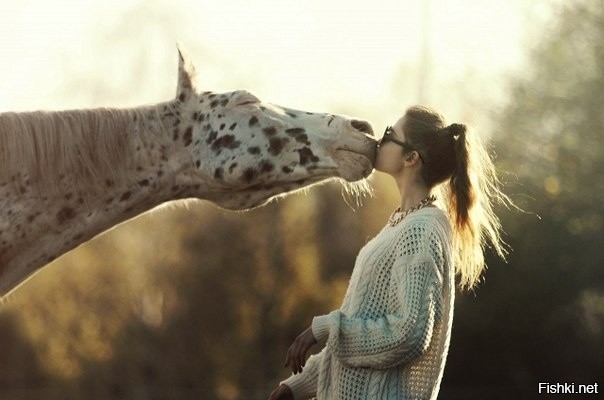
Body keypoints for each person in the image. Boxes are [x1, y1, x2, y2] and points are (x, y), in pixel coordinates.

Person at [267, 105, 510, 400]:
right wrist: (295, 386)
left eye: (389, 134)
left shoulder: (423, 230)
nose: (379, 141)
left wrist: (327, 327)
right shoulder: (402, 223)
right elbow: (359, 339)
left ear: (411, 158)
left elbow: (408, 333)